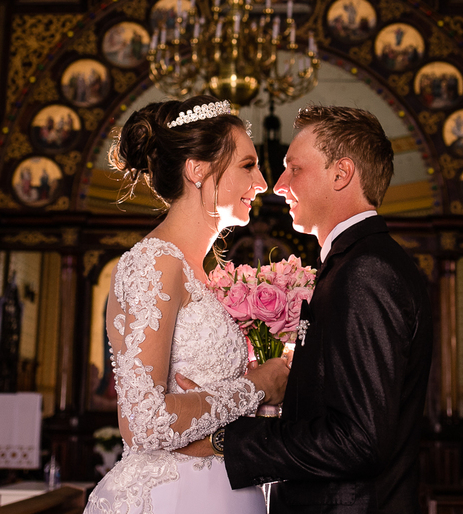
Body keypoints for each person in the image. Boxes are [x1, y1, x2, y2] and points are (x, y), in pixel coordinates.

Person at [179, 106, 433, 514]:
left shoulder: (366, 271)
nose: (278, 185)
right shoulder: (354, 264)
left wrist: (226, 438)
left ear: (341, 173)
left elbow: (358, 440)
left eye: (293, 168)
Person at [82, 95, 288, 514]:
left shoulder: (200, 272)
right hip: (172, 497)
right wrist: (256, 386)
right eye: (248, 165)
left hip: (225, 486)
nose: (263, 182)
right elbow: (144, 423)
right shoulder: (155, 264)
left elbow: (207, 399)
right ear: (197, 169)